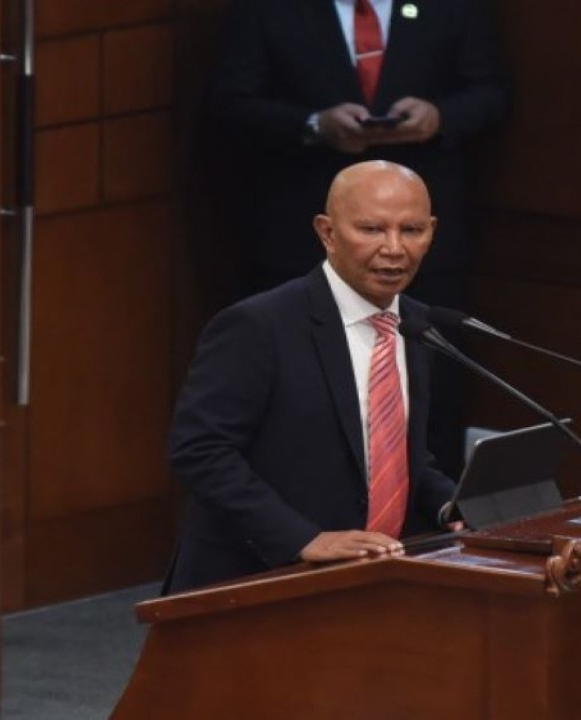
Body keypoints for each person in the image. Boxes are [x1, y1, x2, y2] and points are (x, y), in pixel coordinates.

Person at [165, 161, 458, 592]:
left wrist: (452, 504)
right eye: (372, 230)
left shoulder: (416, 325)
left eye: (411, 231)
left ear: (431, 231)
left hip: (374, 579)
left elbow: (390, 454)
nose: (395, 248)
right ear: (327, 232)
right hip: (256, 582)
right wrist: (302, 538)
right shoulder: (259, 325)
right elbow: (200, 450)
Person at [208, 0, 508, 305]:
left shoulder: (454, 6)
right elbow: (231, 103)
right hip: (302, 231)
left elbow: (490, 92)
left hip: (422, 238)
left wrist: (439, 117)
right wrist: (314, 125)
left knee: (419, 347)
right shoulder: (267, 9)